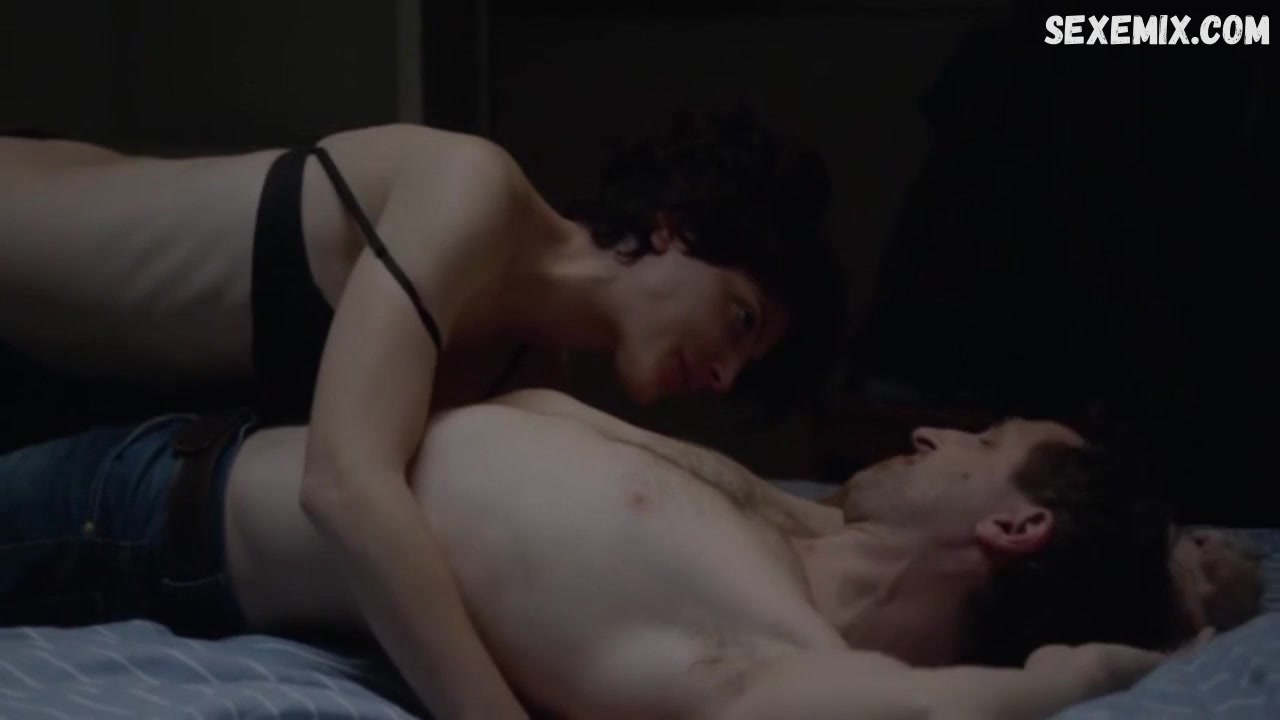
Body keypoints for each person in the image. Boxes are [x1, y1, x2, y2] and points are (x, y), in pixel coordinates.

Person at [0, 110, 846, 717]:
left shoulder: (521, 367)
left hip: (64, 399)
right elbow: (345, 486)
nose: (725, 375)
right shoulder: (472, 188)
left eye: (746, 367)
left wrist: (806, 518)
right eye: (740, 320)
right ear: (674, 231)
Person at [1, 389, 1196, 719]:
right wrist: (1184, 571)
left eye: (980, 443)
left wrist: (1137, 657)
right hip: (169, 453)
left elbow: (984, 699)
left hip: (134, 528)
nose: (934, 433)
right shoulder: (791, 529)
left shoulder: (776, 664)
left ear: (1014, 527)